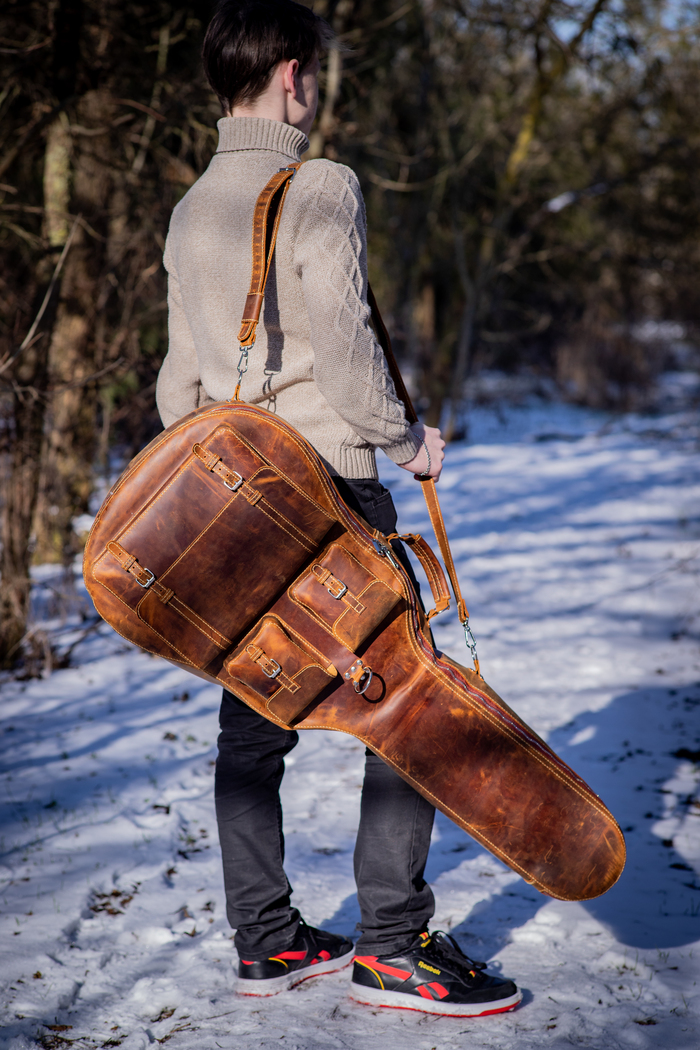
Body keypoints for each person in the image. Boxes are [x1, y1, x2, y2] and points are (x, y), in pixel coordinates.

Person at [156, 0, 520, 1017]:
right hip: (330, 490)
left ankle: (266, 941)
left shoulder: (190, 209)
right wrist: (412, 442)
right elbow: (355, 365)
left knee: (254, 717)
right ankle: (393, 949)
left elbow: (176, 389)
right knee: (411, 707)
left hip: (237, 504)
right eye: (312, 72)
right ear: (289, 71)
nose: (313, 90)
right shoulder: (319, 184)